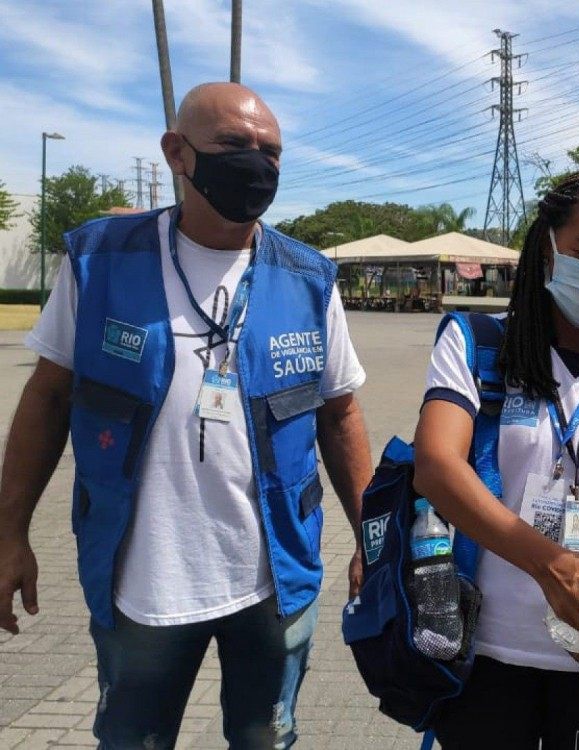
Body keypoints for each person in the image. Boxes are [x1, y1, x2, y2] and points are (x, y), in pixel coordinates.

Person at [0, 82, 374, 748]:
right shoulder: (100, 262)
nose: (256, 165)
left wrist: (376, 541)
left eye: (272, 153)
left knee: (266, 741)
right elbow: (46, 398)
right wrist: (9, 530)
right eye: (234, 145)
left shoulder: (309, 279)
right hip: (141, 586)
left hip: (274, 585)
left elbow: (340, 416)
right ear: (177, 152)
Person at [413, 168, 579, 749]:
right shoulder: (479, 344)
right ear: (548, 246)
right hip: (488, 652)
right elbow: (436, 465)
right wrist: (551, 564)